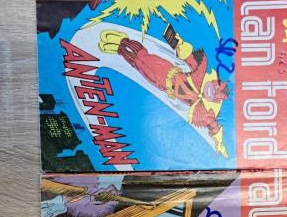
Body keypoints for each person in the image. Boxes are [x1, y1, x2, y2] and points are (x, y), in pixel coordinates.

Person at [98, 29, 229, 158]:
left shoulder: (204, 108)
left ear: (217, 100)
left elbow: (213, 126)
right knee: (144, 58)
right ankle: (124, 41)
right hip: (167, 70)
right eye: (217, 86)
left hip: (162, 85)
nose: (214, 90)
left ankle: (120, 49)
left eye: (217, 93)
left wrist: (219, 143)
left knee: (139, 66)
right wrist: (179, 44)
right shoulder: (199, 74)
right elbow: (189, 57)